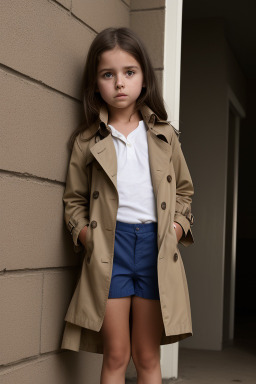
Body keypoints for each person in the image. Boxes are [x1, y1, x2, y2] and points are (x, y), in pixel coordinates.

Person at [61, 27, 194, 384]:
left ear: (144, 79)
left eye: (129, 72)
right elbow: (73, 200)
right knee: (116, 354)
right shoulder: (87, 142)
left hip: (154, 248)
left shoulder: (165, 136)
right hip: (110, 250)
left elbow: (184, 192)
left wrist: (176, 229)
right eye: (108, 74)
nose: (120, 83)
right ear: (96, 84)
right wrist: (89, 237)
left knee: (147, 355)